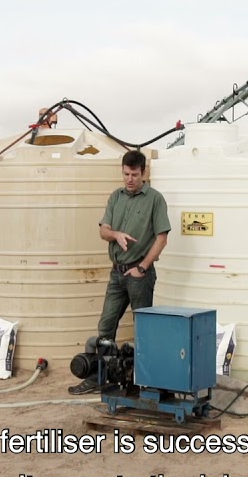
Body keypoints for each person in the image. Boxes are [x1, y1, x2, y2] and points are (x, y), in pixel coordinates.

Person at [69, 150, 171, 395]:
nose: (130, 179)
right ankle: (100, 378)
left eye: (134, 174)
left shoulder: (155, 199)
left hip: (139, 274)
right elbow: (104, 230)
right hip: (116, 274)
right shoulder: (116, 197)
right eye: (126, 174)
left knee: (143, 329)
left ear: (143, 173)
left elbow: (162, 238)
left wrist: (142, 267)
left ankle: (143, 380)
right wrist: (116, 234)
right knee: (106, 325)